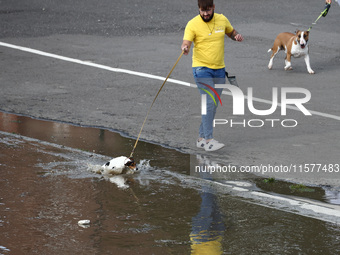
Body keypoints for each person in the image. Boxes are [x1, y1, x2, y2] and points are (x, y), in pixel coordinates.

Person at [181, 0, 243, 152]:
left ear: (213, 7)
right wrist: (185, 47)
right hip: (201, 69)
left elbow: (231, 32)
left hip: (219, 69)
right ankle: (209, 140)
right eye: (203, 10)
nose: (206, 13)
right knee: (209, 102)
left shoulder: (222, 19)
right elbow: (186, 41)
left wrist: (236, 36)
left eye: (208, 10)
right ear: (199, 9)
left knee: (212, 104)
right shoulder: (193, 24)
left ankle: (201, 138)